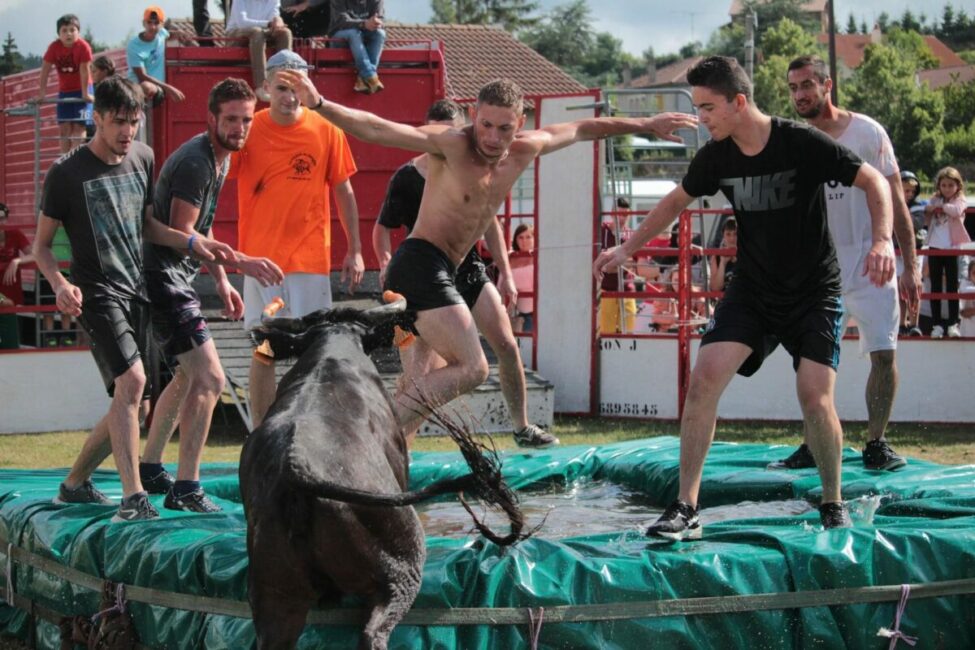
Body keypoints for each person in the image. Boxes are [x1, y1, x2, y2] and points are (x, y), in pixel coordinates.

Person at [280, 71, 696, 444]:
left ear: (520, 126)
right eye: (486, 125)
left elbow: (585, 126)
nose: (493, 138)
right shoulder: (451, 144)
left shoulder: (526, 148)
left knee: (435, 375)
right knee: (473, 368)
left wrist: (644, 123)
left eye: (505, 129)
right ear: (472, 116)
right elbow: (377, 129)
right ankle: (369, 432)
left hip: (459, 266)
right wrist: (319, 104)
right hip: (420, 263)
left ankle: (396, 454)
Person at [594, 56, 896, 539]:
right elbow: (676, 201)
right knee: (704, 379)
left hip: (814, 292)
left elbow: (875, 181)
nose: (702, 119)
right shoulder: (717, 155)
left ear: (738, 102)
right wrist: (627, 247)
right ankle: (685, 507)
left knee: (814, 397)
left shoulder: (800, 142)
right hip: (753, 290)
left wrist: (882, 239)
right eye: (697, 108)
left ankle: (832, 502)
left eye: (708, 108)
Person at [32, 76, 235, 522]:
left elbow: (147, 226)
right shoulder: (65, 174)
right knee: (134, 384)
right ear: (98, 119)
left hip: (136, 287)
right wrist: (61, 284)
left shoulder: (142, 157)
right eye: (119, 122)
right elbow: (41, 246)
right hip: (96, 292)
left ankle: (74, 484)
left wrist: (191, 244)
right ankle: (133, 498)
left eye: (135, 121)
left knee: (136, 401)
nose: (128, 131)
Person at [766, 55, 922, 473]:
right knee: (809, 360)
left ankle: (876, 442)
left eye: (806, 86)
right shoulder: (792, 138)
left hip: (875, 263)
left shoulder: (868, 132)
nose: (799, 95)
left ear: (827, 84)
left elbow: (897, 203)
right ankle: (812, 443)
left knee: (884, 356)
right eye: (793, 88)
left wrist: (911, 265)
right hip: (818, 271)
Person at [373, 99, 557, 448]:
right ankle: (399, 447)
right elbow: (382, 227)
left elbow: (489, 225)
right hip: (421, 272)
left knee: (505, 342)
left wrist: (506, 272)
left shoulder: (475, 166)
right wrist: (383, 261)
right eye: (435, 132)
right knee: (419, 374)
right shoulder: (407, 176)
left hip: (466, 268)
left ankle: (522, 427)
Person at [138, 78, 284, 513]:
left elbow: (202, 229)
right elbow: (184, 236)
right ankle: (186, 487)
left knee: (187, 376)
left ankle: (149, 467)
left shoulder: (218, 160)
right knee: (211, 379)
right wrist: (245, 262)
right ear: (211, 119)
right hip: (161, 275)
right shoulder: (197, 163)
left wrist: (221, 280)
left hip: (173, 275)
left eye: (246, 119)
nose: (241, 127)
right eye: (232, 119)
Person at [231, 49, 364, 428]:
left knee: (314, 350)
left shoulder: (327, 128)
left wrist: (354, 249)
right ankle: (261, 432)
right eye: (282, 88)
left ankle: (310, 426)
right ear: (266, 89)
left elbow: (345, 191)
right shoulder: (249, 127)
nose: (290, 96)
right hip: (260, 261)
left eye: (298, 87)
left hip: (309, 261)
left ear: (309, 87)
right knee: (265, 349)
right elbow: (219, 172)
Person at [36, 14, 93, 154]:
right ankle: (65, 159)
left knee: (80, 127)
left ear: (78, 32)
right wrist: (42, 93)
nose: (68, 34)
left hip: (83, 88)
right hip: (65, 91)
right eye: (64, 30)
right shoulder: (54, 48)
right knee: (64, 129)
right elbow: (45, 71)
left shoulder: (83, 47)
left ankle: (74, 158)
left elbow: (85, 71)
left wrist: (85, 93)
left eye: (72, 30)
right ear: (59, 34)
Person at [923, 166, 969, 338]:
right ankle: (936, 324)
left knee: (951, 287)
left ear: (958, 186)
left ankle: (952, 323)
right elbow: (927, 208)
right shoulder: (935, 198)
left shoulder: (960, 199)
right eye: (944, 185)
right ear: (939, 186)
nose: (947, 189)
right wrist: (935, 207)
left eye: (951, 185)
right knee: (934, 286)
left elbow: (957, 211)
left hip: (952, 247)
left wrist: (939, 207)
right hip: (935, 246)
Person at [225, 0, 293, 103]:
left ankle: (283, 82)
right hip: (236, 35)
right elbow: (242, 23)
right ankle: (261, 86)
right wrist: (270, 23)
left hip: (263, 33)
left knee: (285, 33)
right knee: (257, 32)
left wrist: (277, 23)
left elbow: (274, 20)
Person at [127, 6, 186, 108]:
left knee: (147, 87)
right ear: (143, 23)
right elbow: (142, 76)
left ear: (161, 25)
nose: (153, 27)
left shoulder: (161, 34)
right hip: (135, 88)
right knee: (145, 86)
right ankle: (139, 115)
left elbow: (170, 35)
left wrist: (181, 35)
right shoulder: (133, 45)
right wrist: (170, 88)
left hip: (157, 89)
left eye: (156, 23)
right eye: (149, 22)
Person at [599, 198, 638, 335]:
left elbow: (636, 263)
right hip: (606, 288)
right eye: (618, 214)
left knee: (628, 332)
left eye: (625, 214)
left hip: (627, 289)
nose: (622, 218)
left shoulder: (631, 235)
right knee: (606, 333)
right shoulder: (601, 231)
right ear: (611, 213)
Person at [328, 0, 385, 94]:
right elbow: (342, 21)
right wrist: (363, 24)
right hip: (339, 37)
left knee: (380, 34)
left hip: (364, 34)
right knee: (354, 33)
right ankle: (371, 76)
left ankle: (362, 80)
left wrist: (377, 22)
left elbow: (380, 20)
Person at [509, 224, 536, 333]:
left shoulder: (539, 257)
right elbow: (501, 284)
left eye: (528, 237)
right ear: (515, 239)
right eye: (520, 237)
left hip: (540, 314)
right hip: (520, 316)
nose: (524, 241)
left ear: (535, 238)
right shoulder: (511, 257)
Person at [707, 217, 737, 292]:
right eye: (728, 234)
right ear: (723, 235)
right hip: (724, 301)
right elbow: (715, 288)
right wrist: (722, 263)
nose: (732, 238)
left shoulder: (747, 254)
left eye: (735, 234)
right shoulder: (716, 257)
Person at [959, 260, 975, 337]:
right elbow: (963, 313)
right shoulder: (964, 283)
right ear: (969, 274)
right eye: (974, 273)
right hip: (967, 335)